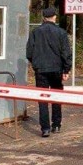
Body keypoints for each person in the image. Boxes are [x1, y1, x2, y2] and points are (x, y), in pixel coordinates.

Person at [26, 7, 72, 137]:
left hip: (41, 70)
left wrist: (36, 64)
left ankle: (45, 128)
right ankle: (56, 124)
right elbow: (66, 53)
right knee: (56, 96)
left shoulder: (35, 32)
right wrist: (66, 69)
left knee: (43, 99)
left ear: (43, 18)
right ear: (55, 17)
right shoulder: (61, 32)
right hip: (57, 69)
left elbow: (29, 52)